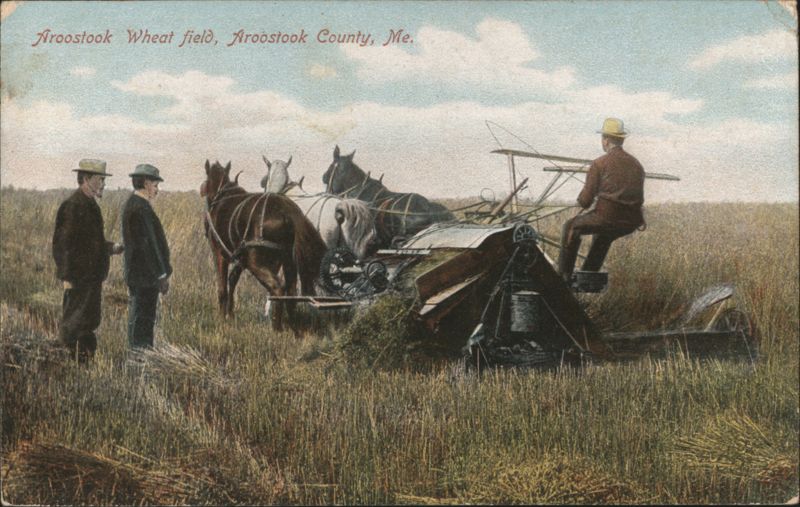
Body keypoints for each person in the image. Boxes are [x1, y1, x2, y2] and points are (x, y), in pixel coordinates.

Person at [52, 159, 124, 361]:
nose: (103, 184)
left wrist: (112, 248)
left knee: (89, 323)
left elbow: (93, 243)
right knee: (73, 326)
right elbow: (62, 245)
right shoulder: (72, 206)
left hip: (92, 279)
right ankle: (68, 366)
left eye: (103, 180)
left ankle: (84, 367)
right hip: (78, 280)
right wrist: (67, 277)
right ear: (85, 179)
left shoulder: (91, 205)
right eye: (100, 179)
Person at [558, 118, 645, 283]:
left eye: (603, 138)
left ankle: (563, 279)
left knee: (570, 227)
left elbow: (585, 201)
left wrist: (580, 201)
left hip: (607, 217)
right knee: (604, 236)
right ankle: (588, 277)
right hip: (631, 221)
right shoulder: (637, 165)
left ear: (605, 140)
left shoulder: (599, 163)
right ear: (621, 139)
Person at [121, 164, 172, 348]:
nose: (157, 190)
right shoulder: (140, 208)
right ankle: (139, 359)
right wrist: (161, 275)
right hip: (145, 277)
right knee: (143, 322)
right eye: (155, 185)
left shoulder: (135, 205)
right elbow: (149, 248)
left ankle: (139, 357)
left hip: (141, 276)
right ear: (146, 183)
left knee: (141, 320)